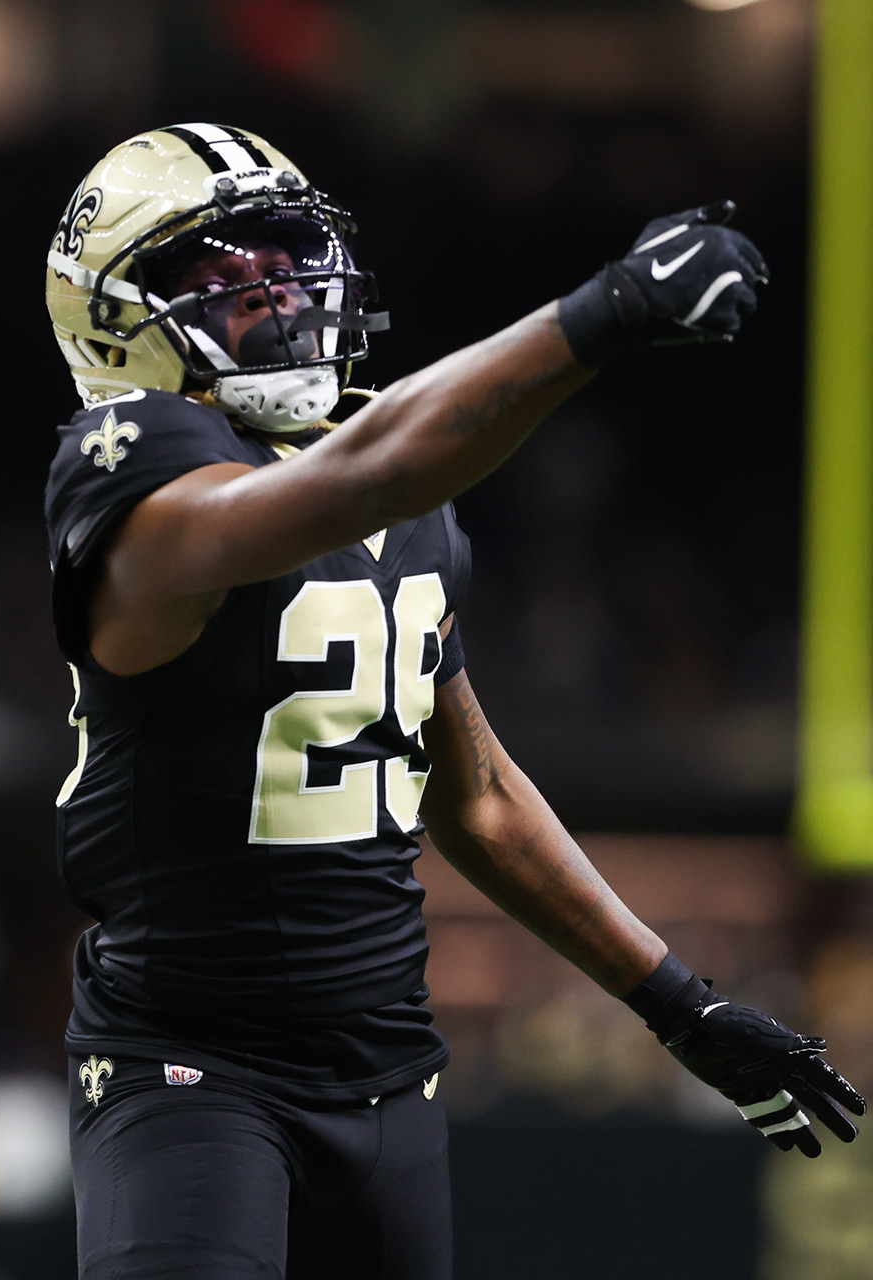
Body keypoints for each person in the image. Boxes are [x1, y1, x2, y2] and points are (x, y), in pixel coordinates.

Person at [42, 124, 862, 1278]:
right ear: (115, 321)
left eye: (280, 257)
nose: (269, 293)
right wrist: (603, 312)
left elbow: (473, 795)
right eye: (217, 276)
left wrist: (681, 1001)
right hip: (190, 1069)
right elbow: (370, 469)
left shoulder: (393, 493)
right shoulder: (128, 464)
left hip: (387, 1072)